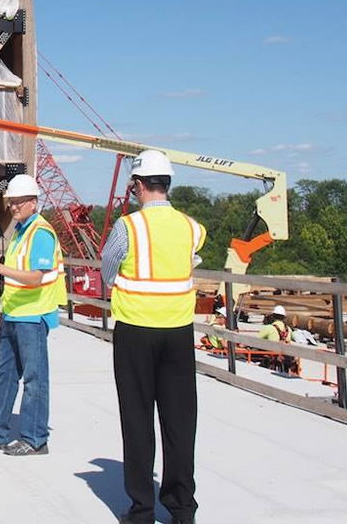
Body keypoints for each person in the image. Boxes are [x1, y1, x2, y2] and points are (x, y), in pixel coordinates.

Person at [101, 149, 206, 524]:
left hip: (135, 332)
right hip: (179, 333)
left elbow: (108, 273)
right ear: (168, 184)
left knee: (138, 419)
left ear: (137, 185)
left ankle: (142, 510)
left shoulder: (127, 228)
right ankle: (182, 508)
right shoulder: (192, 228)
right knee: (180, 422)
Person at [0, 173, 65, 457]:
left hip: (33, 317)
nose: (13, 207)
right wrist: (4, 309)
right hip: (13, 314)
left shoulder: (40, 233)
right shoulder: (21, 231)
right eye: (11, 203)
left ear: (33, 202)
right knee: (5, 375)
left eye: (18, 202)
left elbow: (35, 278)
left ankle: (35, 438)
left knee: (34, 379)